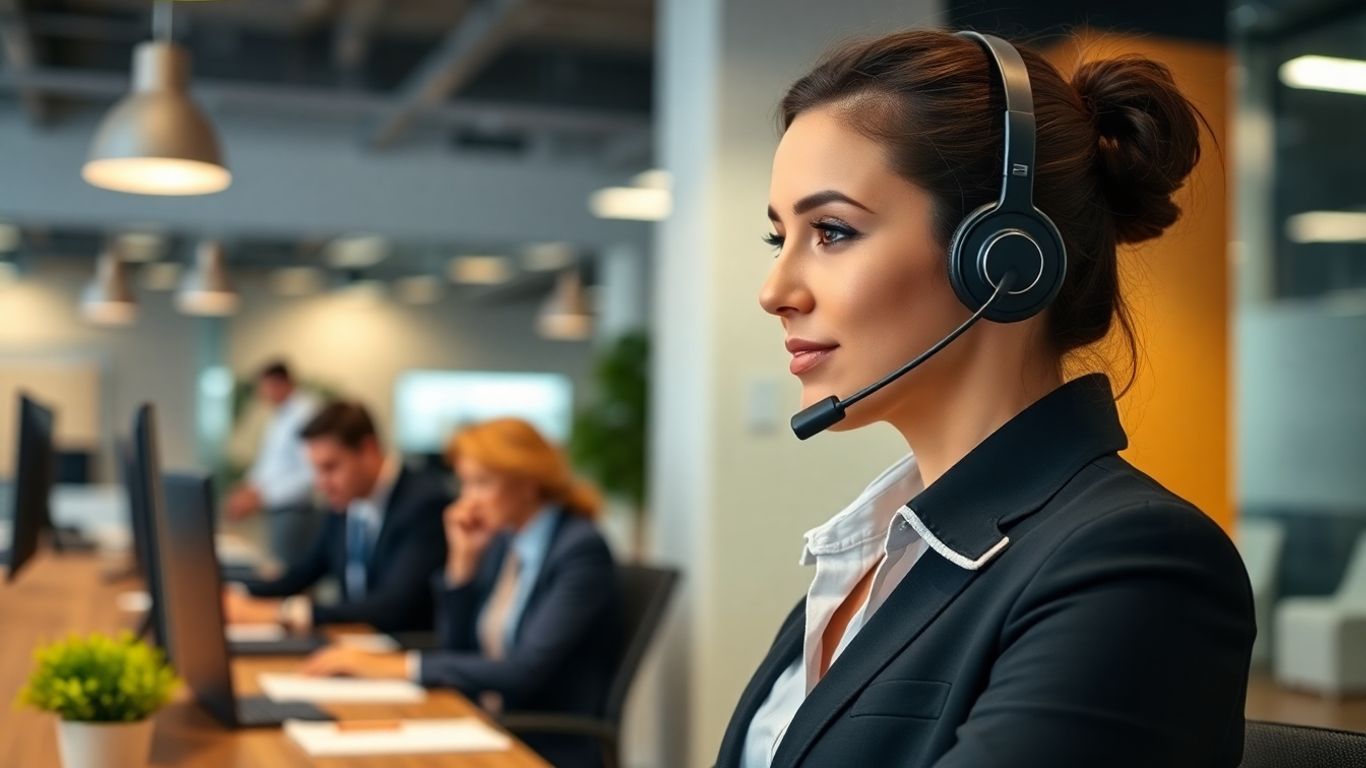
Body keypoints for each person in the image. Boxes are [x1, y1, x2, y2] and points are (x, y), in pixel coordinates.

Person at [715, 29, 1255, 768]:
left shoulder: (1134, 562)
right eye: (781, 239)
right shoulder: (873, 552)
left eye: (833, 231)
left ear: (1003, 258)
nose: (775, 292)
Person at [301, 417, 622, 768]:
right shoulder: (506, 541)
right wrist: (461, 564)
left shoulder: (579, 550)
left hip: (540, 743)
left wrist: (397, 666)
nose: (468, 499)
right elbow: (457, 650)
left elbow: (522, 672)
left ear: (529, 484)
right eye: (465, 483)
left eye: (482, 483)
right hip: (486, 724)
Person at [223, 400, 450, 633]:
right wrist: (236, 592)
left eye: (330, 468)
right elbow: (305, 572)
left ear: (368, 450)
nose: (321, 484)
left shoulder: (424, 504)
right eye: (316, 470)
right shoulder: (347, 499)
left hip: (399, 651)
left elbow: (394, 606)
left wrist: (285, 613)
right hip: (351, 645)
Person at [225, 360, 322, 565]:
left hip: (295, 511)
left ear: (283, 383)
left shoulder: (306, 412)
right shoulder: (280, 415)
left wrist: (262, 497)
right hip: (278, 509)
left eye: (266, 387)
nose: (263, 394)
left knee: (288, 574)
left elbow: (311, 473)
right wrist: (248, 488)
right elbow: (270, 462)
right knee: (276, 568)